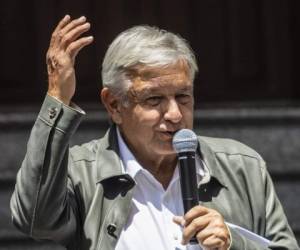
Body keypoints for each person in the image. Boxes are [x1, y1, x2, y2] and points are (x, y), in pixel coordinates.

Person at [10, 14, 299, 250]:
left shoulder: (242, 166)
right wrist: (57, 99)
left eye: (183, 97)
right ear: (113, 105)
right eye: (154, 100)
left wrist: (235, 244)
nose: (174, 114)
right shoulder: (80, 173)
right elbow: (35, 219)